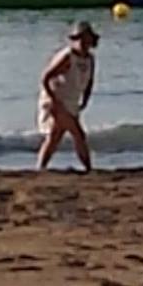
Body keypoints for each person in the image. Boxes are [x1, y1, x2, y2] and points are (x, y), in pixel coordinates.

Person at [37, 21, 99, 172]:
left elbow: (90, 81)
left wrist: (85, 99)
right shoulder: (67, 56)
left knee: (54, 137)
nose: (83, 43)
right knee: (78, 134)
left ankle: (41, 168)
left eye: (87, 39)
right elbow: (46, 77)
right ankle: (88, 168)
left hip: (71, 101)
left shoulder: (90, 59)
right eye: (80, 39)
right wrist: (53, 99)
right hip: (57, 100)